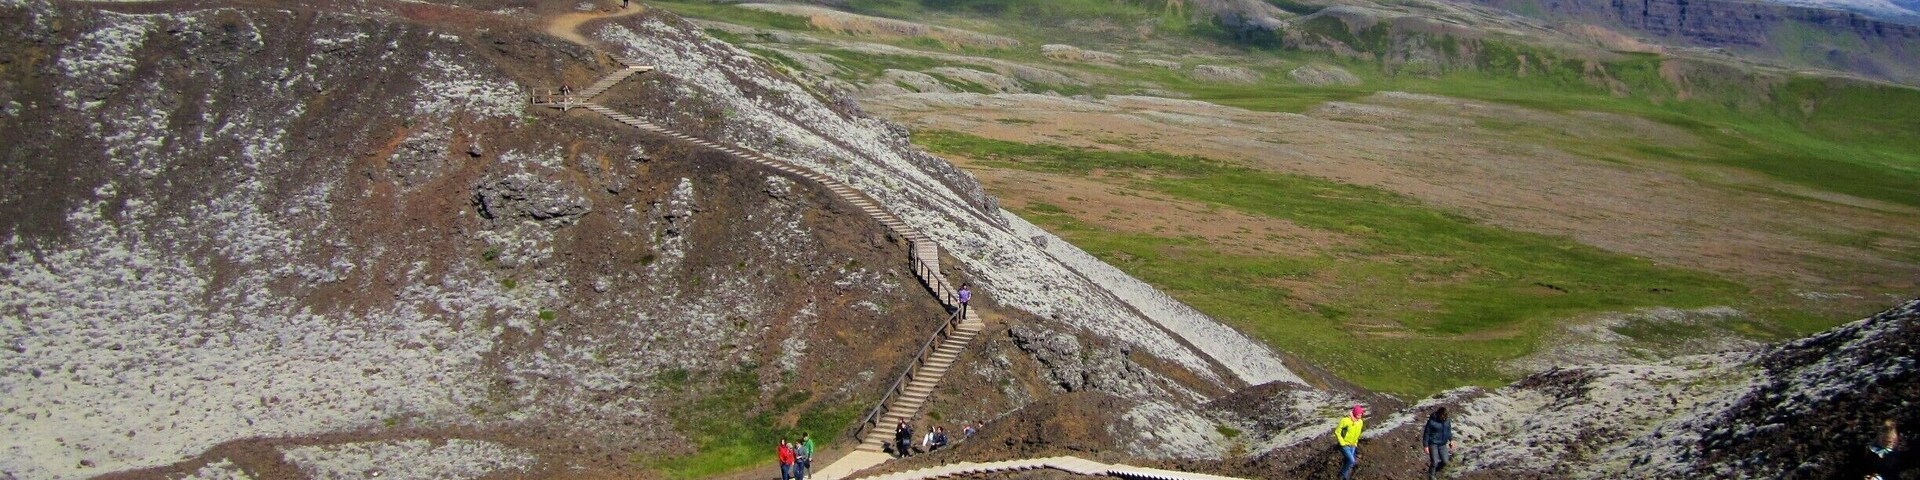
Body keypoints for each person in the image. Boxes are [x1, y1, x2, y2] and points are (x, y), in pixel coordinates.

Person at [1333, 405, 1365, 480]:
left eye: (1361, 414)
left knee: (1349, 462)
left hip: (1352, 445)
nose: (1360, 415)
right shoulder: (1345, 420)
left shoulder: (1360, 422)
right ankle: (1341, 475)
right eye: (1359, 414)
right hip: (1345, 445)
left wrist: (1355, 442)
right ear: (1355, 413)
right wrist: (1342, 443)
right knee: (1351, 460)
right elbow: (1337, 431)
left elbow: (1358, 433)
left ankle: (1345, 477)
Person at [1423, 407, 1455, 480]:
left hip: (1442, 444)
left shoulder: (1447, 420)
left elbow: (1448, 431)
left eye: (1446, 416)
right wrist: (1425, 446)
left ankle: (1434, 471)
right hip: (1433, 444)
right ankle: (1431, 476)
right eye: (1443, 416)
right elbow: (1426, 434)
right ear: (1439, 414)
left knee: (1445, 461)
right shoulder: (1432, 422)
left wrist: (1451, 440)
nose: (1444, 418)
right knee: (1434, 462)